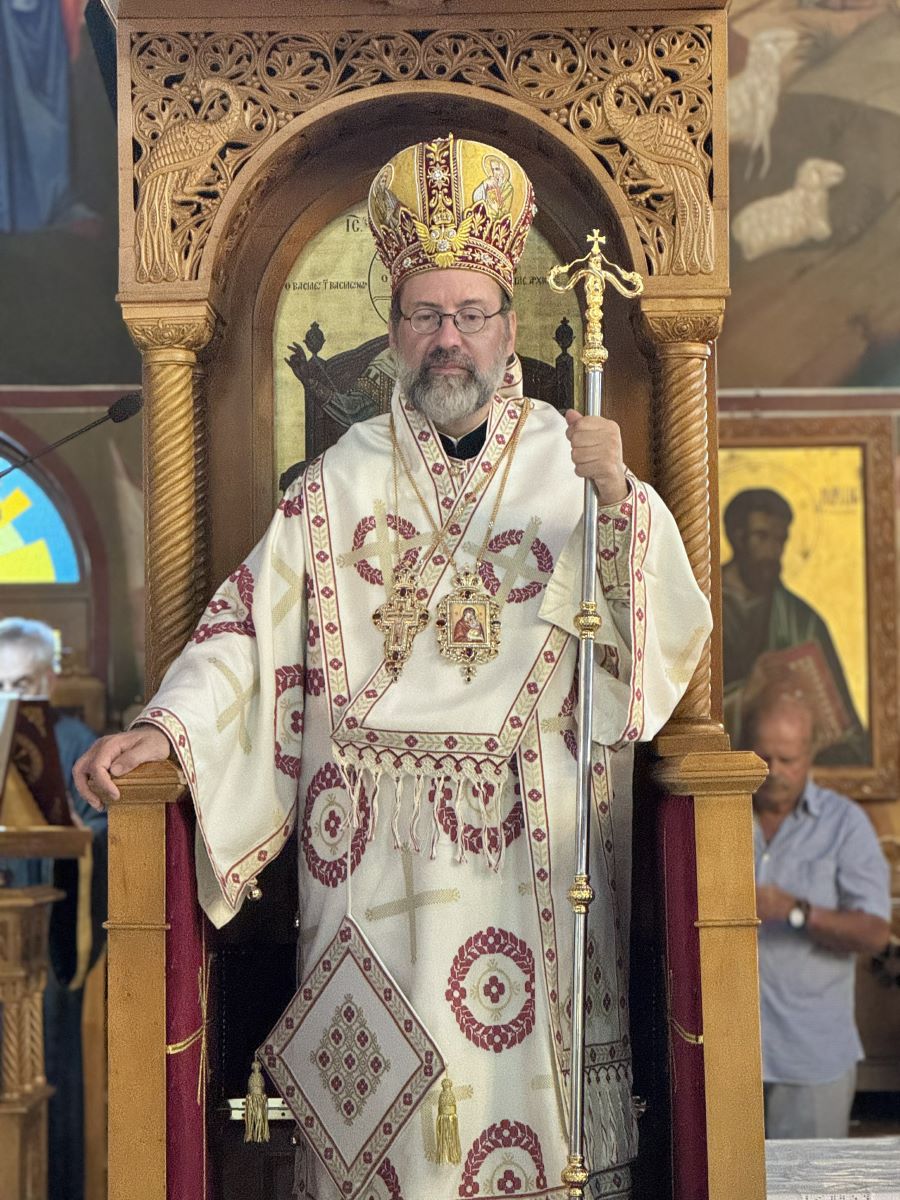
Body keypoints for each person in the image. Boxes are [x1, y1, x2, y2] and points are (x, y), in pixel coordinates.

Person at [74, 133, 712, 1199]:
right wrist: (165, 729)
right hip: (370, 859)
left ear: (511, 327)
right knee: (384, 1136)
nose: (448, 340)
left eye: (470, 314)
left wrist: (620, 501)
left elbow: (647, 668)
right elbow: (251, 632)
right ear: (395, 329)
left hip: (525, 853)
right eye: (425, 315)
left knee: (520, 1119)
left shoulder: (574, 461)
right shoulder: (341, 476)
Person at [747, 689, 890, 1139]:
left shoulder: (845, 824)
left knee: (809, 1178)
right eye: (763, 756)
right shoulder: (716, 817)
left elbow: (874, 933)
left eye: (787, 759)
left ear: (809, 754)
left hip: (810, 1056)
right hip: (727, 1057)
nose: (774, 771)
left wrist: (797, 911)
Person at [0, 617, 106, 1200]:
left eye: (20, 684)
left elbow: (101, 835)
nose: (9, 698)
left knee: (47, 1073)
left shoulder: (73, 744)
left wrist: (66, 826)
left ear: (48, 680)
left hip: (43, 952)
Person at [722, 487, 868, 764]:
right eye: (762, 537)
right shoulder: (702, 605)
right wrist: (746, 696)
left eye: (780, 540)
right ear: (737, 536)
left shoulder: (802, 620)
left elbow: (847, 735)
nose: (772, 551)